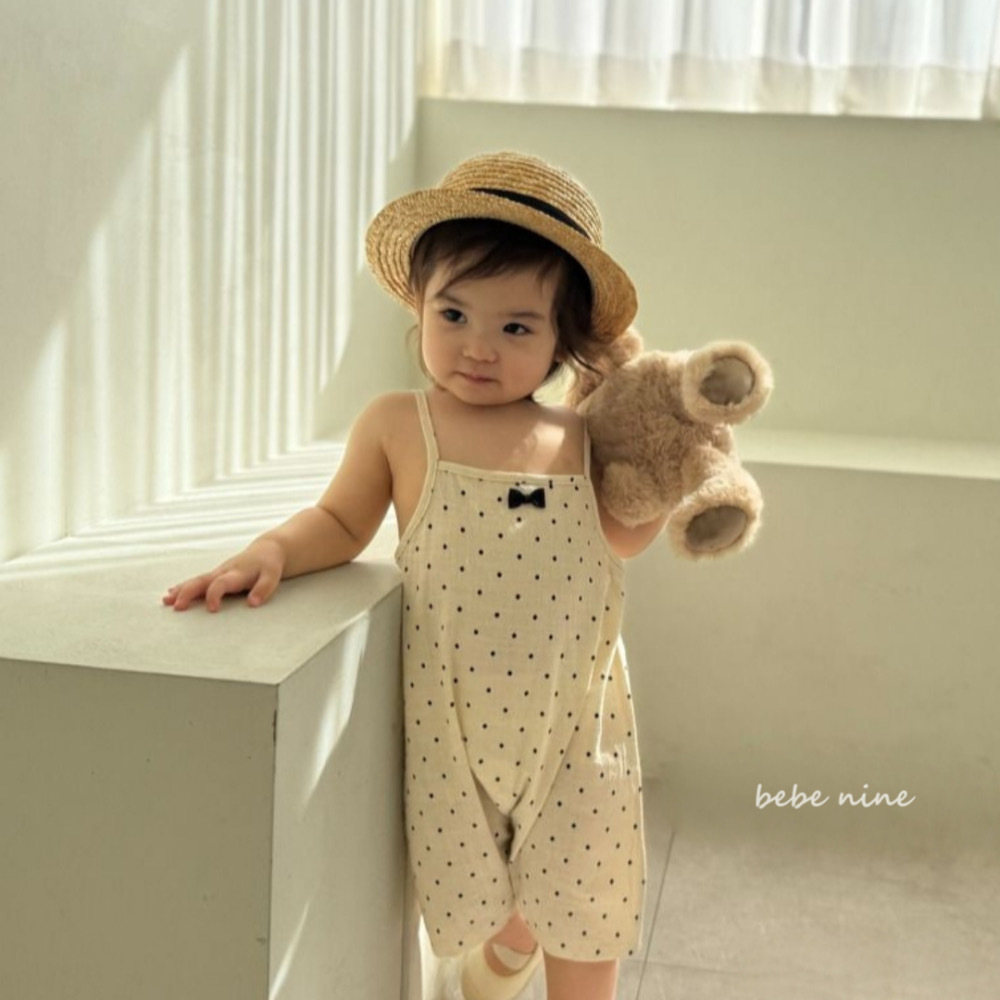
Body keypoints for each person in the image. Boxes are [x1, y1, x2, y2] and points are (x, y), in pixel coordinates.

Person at [163, 151, 669, 1000]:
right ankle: (507, 948)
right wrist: (274, 550)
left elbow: (622, 537)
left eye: (517, 329)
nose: (478, 347)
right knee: (484, 884)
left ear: (563, 340)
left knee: (587, 896)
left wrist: (660, 456)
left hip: (576, 723)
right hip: (455, 730)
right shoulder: (401, 424)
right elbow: (340, 522)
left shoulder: (578, 436)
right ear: (420, 308)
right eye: (454, 313)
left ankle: (540, 958)